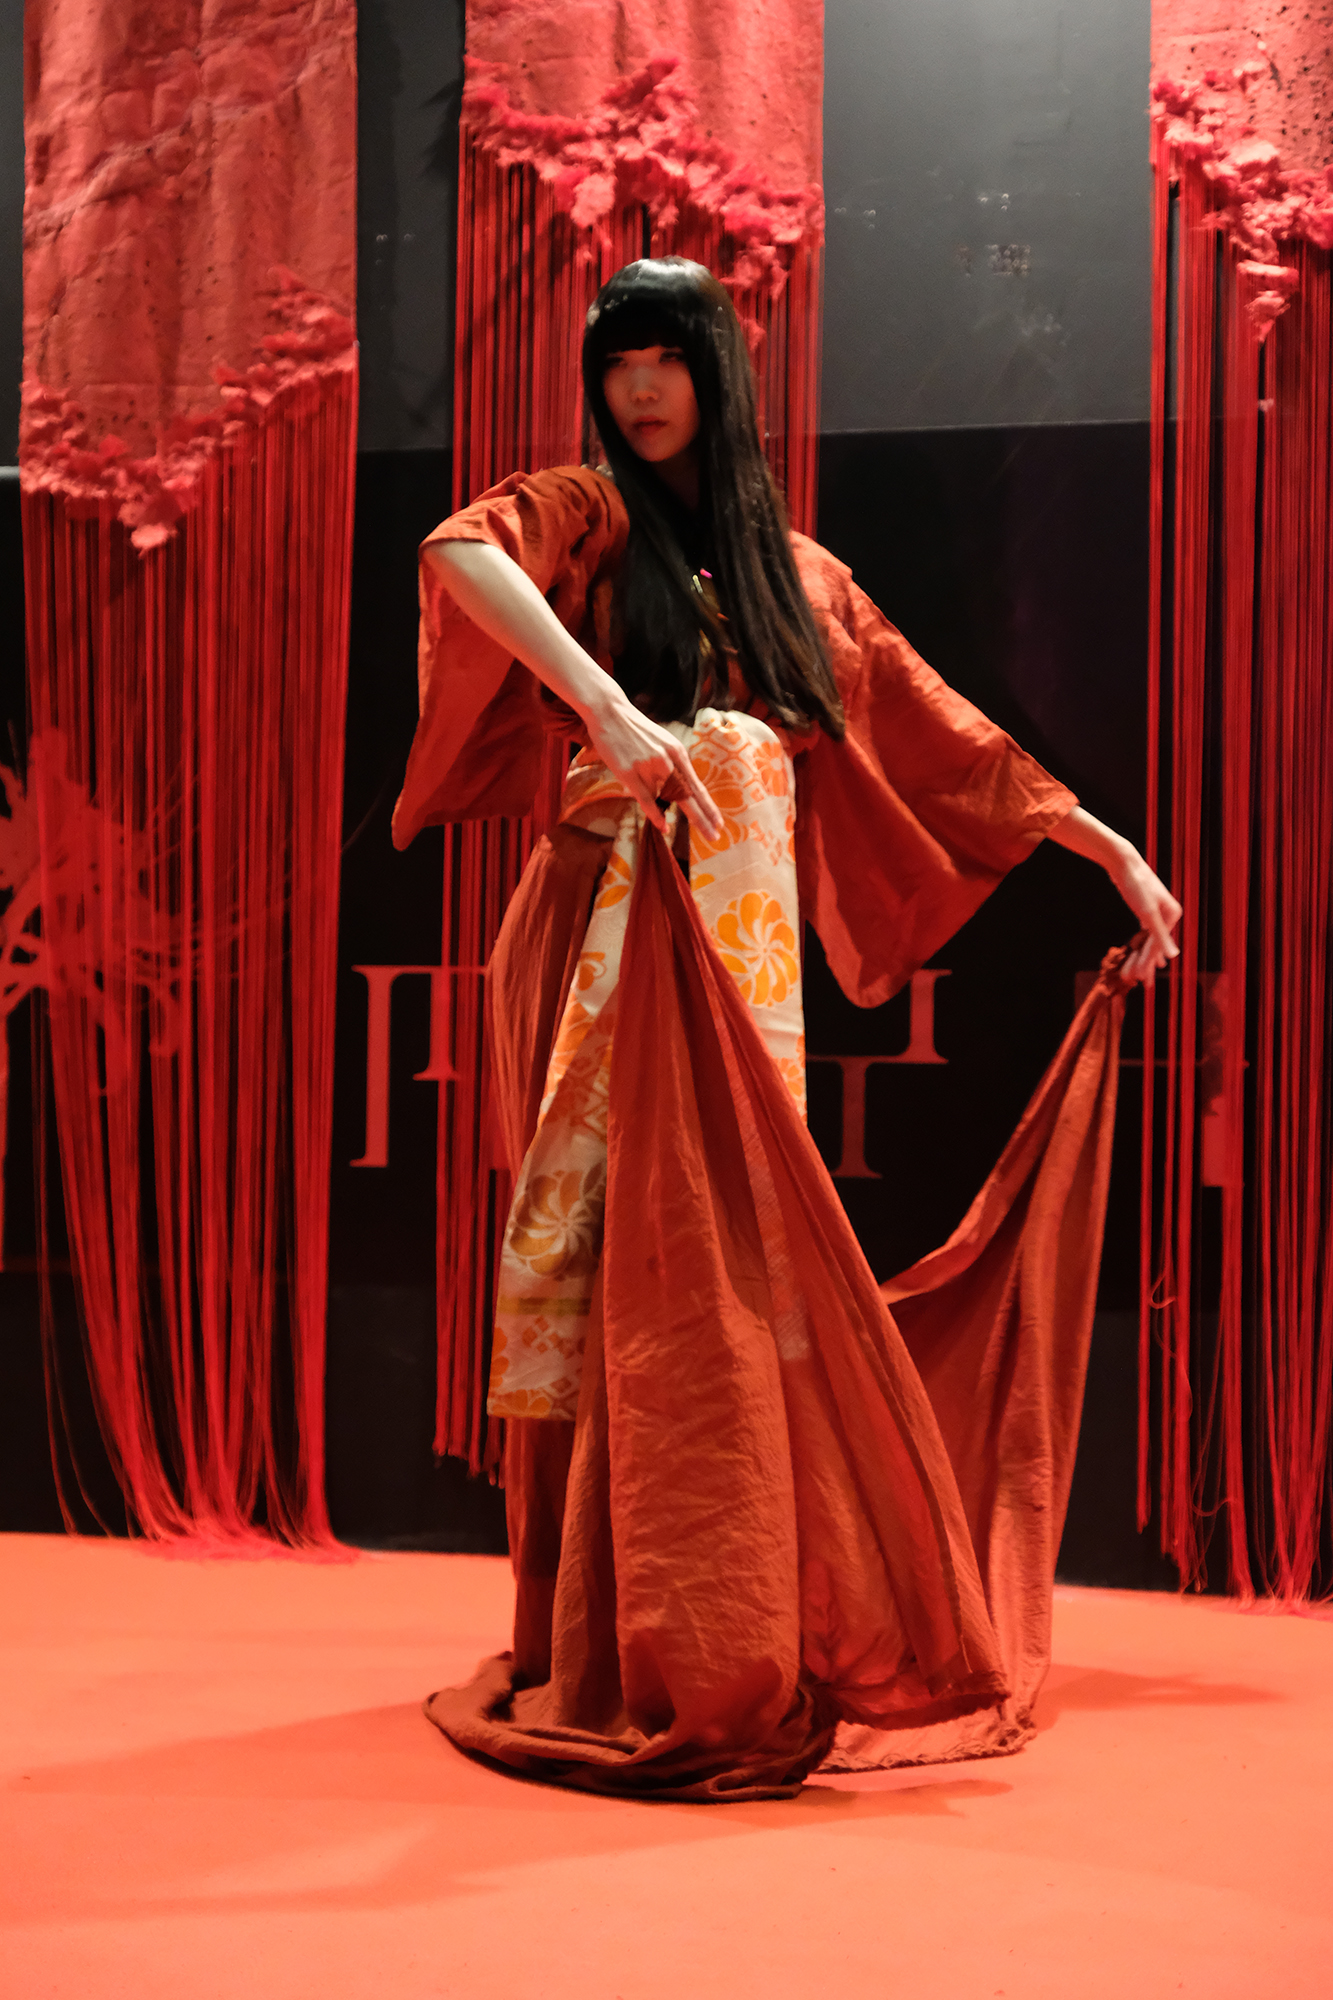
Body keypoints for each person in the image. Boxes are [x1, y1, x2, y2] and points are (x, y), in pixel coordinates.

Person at [393, 257, 1181, 1802]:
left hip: (739, 944)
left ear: (719, 376)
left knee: (727, 1270)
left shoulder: (798, 577)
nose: (639, 389)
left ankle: (720, 1616)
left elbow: (944, 738)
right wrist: (603, 707)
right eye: (617, 362)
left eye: (666, 359)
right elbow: (455, 552)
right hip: (600, 924)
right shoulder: (584, 517)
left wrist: (1105, 849)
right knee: (622, 1263)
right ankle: (597, 1637)